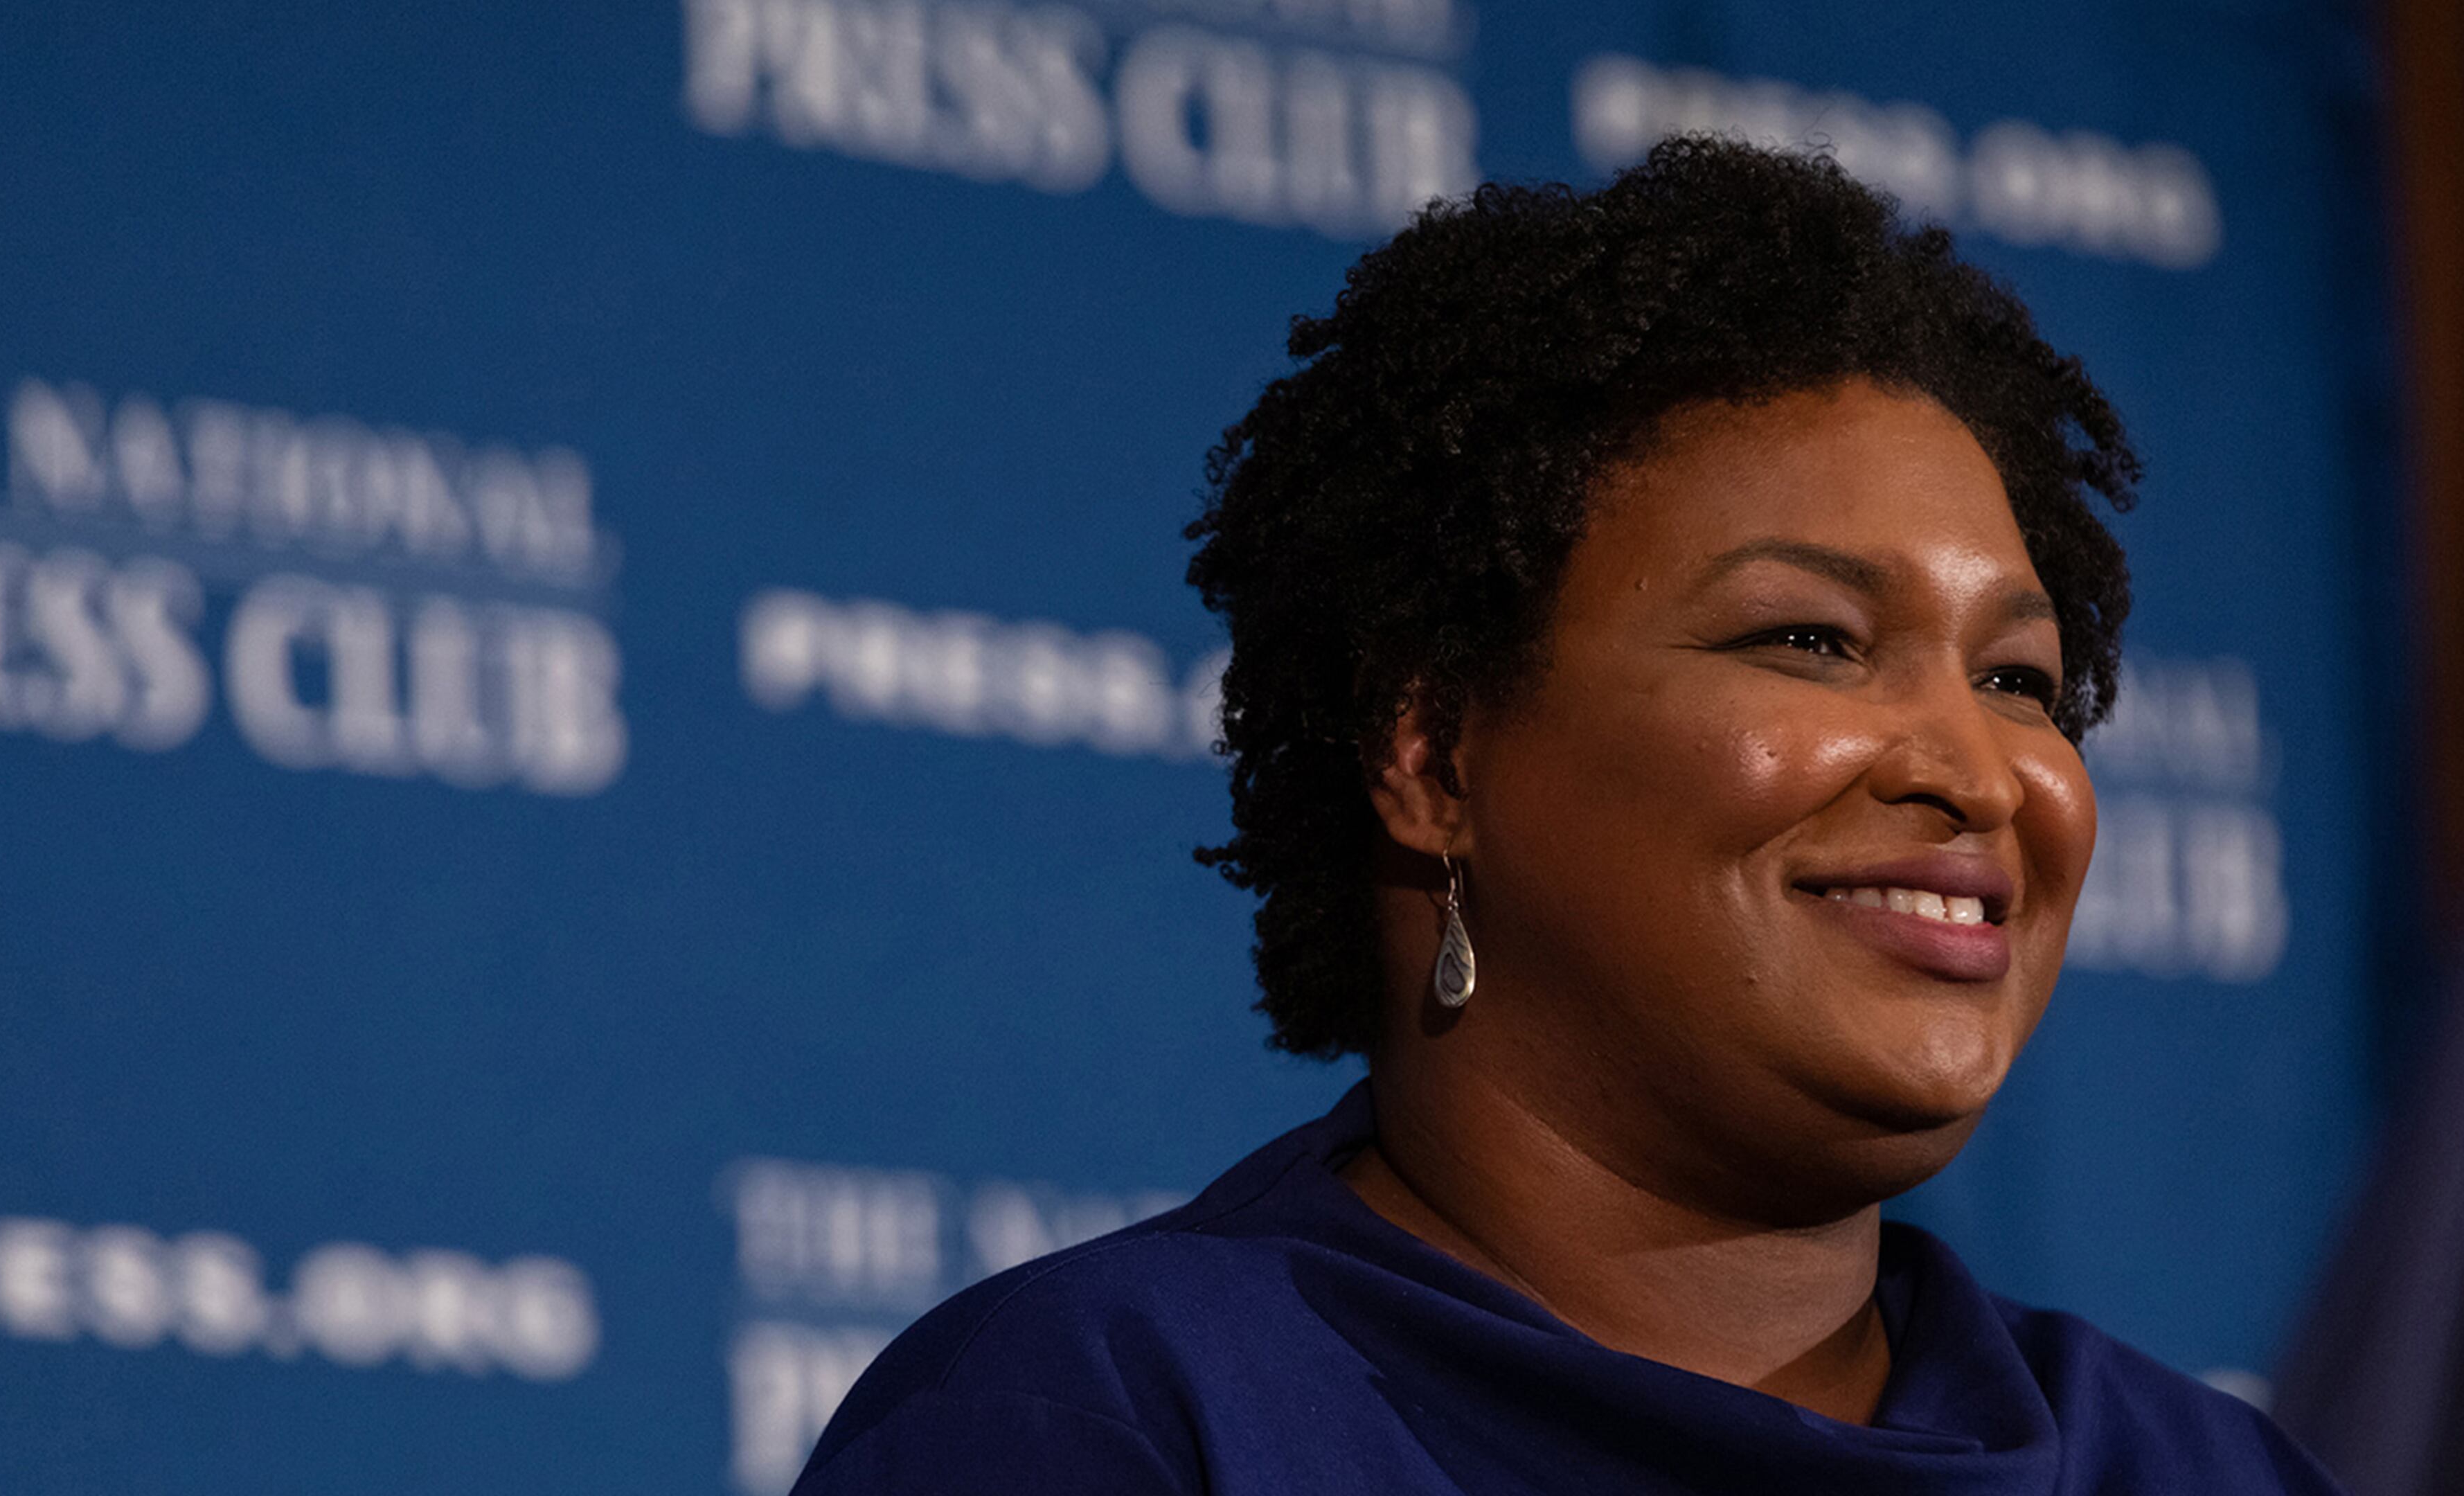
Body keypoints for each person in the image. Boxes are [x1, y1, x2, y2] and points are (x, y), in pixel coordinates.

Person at [791, 139, 2344, 1493]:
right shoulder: (1103, 1417)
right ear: (1436, 758)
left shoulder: (2200, 1469)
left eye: (2021, 680)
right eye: (1810, 641)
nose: (1979, 767)